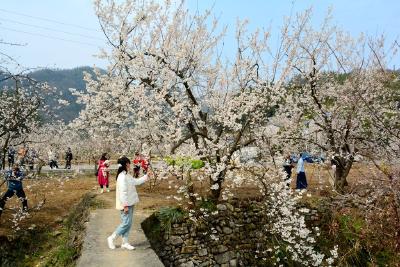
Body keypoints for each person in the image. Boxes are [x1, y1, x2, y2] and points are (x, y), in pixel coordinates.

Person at [107, 156, 148, 250]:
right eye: (129, 163)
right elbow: (123, 192)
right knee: (126, 223)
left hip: (130, 202)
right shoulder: (122, 177)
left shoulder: (126, 175)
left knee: (128, 223)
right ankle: (112, 238)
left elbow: (136, 182)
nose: (130, 165)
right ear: (126, 164)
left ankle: (125, 243)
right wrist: (125, 205)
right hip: (126, 204)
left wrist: (146, 176)